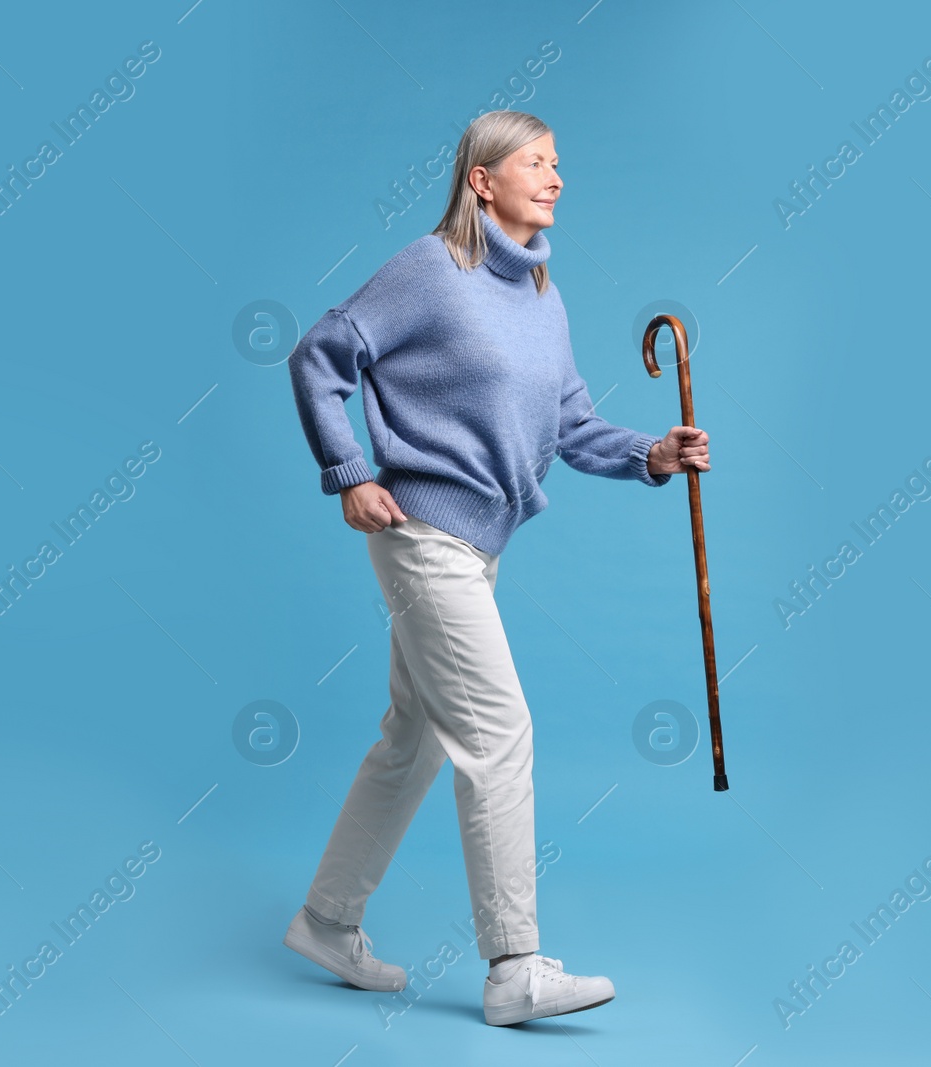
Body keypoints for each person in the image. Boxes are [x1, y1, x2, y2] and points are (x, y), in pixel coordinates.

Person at [282, 109, 710, 1026]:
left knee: (415, 737)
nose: (556, 177)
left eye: (561, 162)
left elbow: (570, 424)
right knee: (499, 729)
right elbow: (320, 355)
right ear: (482, 179)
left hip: (478, 552)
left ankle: (326, 920)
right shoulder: (432, 270)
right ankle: (514, 966)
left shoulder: (544, 300)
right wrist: (348, 471)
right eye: (536, 163)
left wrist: (652, 455)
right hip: (422, 536)